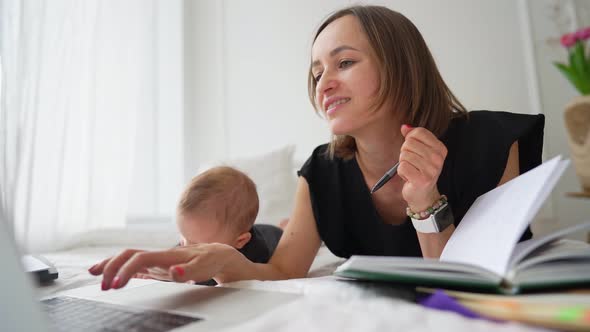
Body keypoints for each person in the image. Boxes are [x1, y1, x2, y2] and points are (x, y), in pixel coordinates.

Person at [89, 5, 544, 289]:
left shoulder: (493, 143)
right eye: (316, 72)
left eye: (344, 62)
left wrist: (425, 201)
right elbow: (284, 271)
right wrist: (226, 261)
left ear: (402, 66)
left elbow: (469, 285)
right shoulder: (323, 171)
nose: (324, 82)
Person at [91, 166, 283, 288]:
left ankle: (286, 224)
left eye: (198, 245)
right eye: (184, 237)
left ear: (239, 241)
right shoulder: (187, 243)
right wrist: (157, 274)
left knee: (282, 229)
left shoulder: (256, 252)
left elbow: (210, 277)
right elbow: (173, 266)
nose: (185, 249)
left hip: (273, 234)